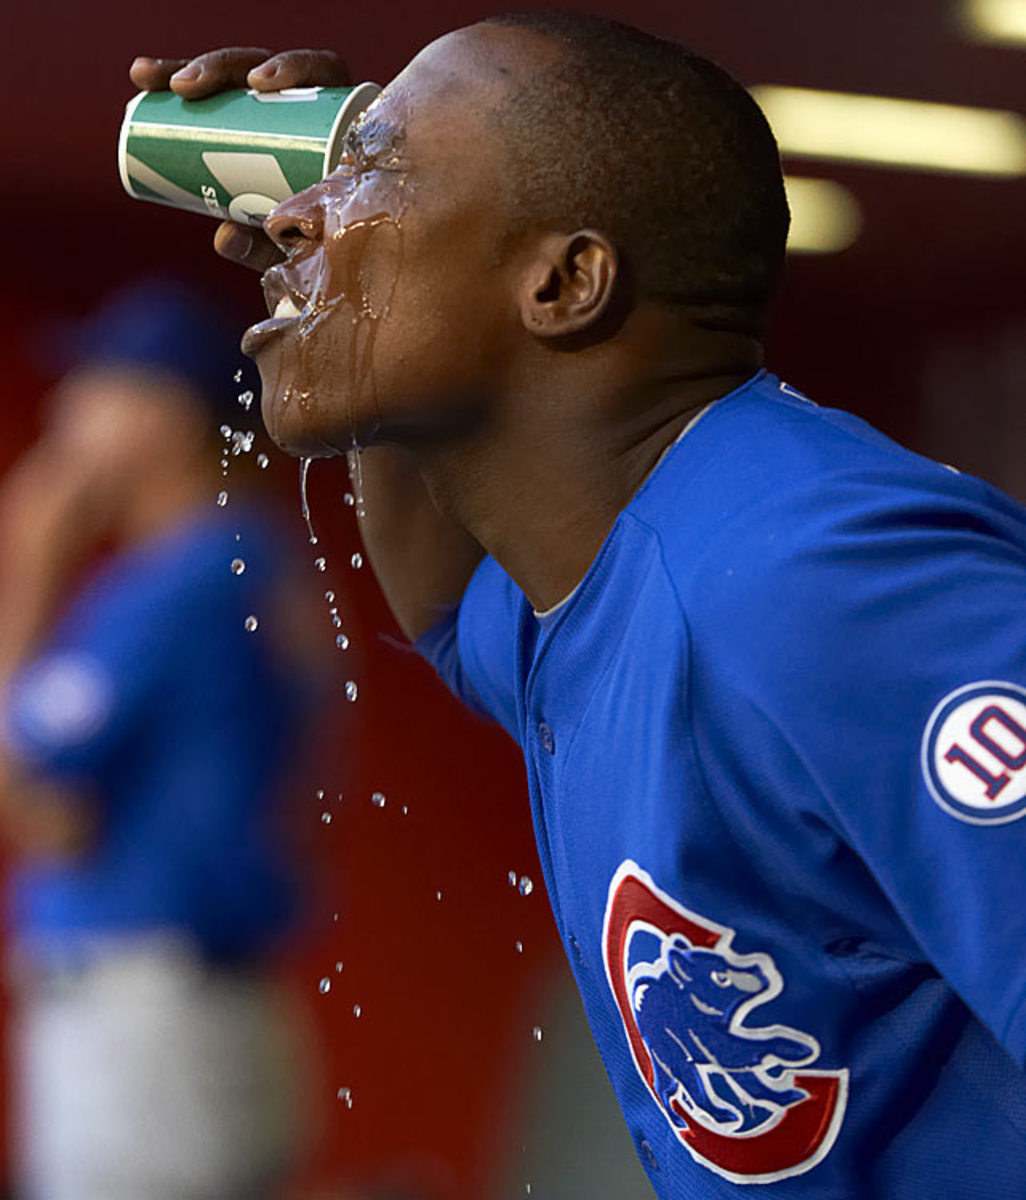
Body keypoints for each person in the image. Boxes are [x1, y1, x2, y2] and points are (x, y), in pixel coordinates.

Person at [131, 13, 1026, 1197]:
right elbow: (446, 608)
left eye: (376, 171)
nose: (297, 217)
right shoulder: (606, 577)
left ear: (563, 283)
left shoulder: (822, 579)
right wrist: (341, 197)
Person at [0, 280, 315, 1200]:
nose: (64, 411)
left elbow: (16, 774)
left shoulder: (189, 576)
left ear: (166, 419)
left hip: (152, 1022)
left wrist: (27, 563)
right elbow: (44, 813)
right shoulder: (237, 556)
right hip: (188, 1008)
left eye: (95, 386)